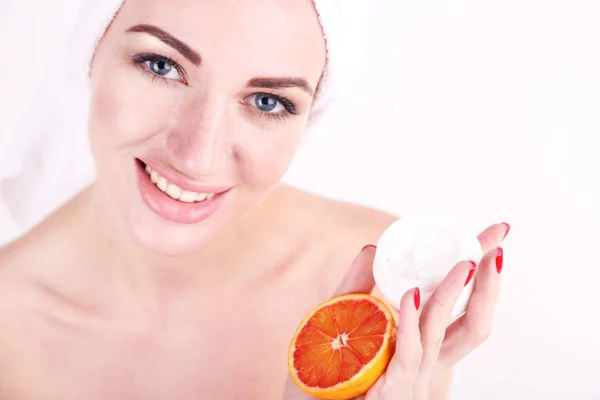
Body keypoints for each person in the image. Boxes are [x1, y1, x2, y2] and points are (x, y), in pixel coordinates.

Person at [0, 0, 509, 399]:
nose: (197, 156)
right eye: (161, 65)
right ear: (91, 51)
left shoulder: (381, 295)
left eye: (268, 101)